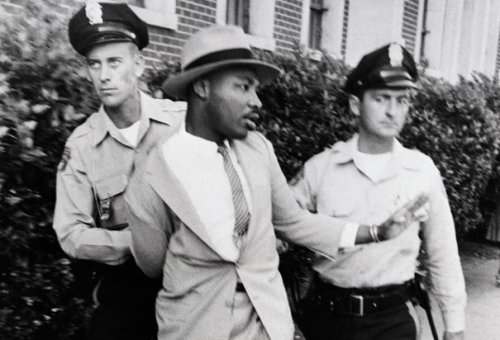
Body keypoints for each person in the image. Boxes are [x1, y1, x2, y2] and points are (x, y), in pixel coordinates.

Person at [123, 25, 428, 340]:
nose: (256, 101)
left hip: (265, 326)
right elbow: (153, 263)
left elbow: (294, 222)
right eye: (243, 87)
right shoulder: (152, 173)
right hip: (195, 327)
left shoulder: (258, 149)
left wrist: (376, 232)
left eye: (256, 89)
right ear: (203, 87)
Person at [290, 43, 467, 340]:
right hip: (327, 319)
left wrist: (455, 326)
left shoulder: (421, 171)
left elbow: (443, 253)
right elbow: (282, 228)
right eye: (381, 99)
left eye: (402, 101)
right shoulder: (320, 169)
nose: (392, 111)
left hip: (392, 321)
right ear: (356, 105)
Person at [52, 2, 185, 339]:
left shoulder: (181, 122)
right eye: (94, 65)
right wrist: (140, 243)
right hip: (126, 295)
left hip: (190, 286)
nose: (104, 75)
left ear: (138, 64)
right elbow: (70, 232)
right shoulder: (82, 145)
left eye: (114, 62)